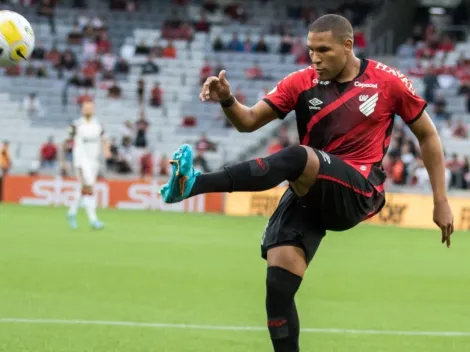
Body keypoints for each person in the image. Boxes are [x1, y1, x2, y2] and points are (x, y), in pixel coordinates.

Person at [160, 14, 454, 352]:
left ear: (348, 46)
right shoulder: (300, 82)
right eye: (311, 50)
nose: (315, 58)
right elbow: (249, 121)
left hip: (357, 190)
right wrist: (228, 100)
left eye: (323, 50)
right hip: (311, 191)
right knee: (278, 286)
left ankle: (192, 184)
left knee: (299, 156)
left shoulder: (388, 81)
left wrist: (440, 200)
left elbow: (428, 136)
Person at [67, 101, 110, 230]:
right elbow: (67, 141)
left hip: (94, 161)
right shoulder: (76, 125)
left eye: (90, 108)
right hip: (81, 160)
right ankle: (93, 219)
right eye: (85, 108)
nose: (88, 110)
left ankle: (71, 212)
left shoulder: (98, 125)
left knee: (83, 188)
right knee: (89, 187)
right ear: (82, 110)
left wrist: (106, 150)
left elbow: (105, 139)